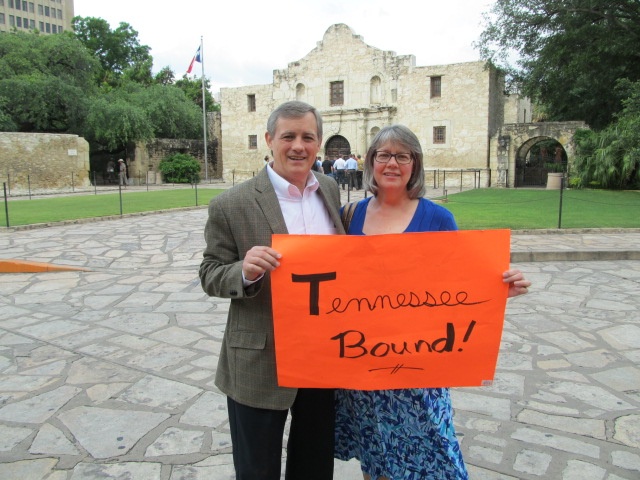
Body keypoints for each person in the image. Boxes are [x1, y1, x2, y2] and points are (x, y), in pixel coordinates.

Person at [334, 124, 531, 480]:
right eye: (383, 155)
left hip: (418, 363)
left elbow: (460, 284)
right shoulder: (351, 216)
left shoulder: (438, 218)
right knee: (375, 454)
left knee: (432, 452)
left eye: (402, 156)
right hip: (364, 359)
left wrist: (497, 290)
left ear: (415, 164)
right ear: (371, 162)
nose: (392, 163)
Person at [199, 100, 345, 480]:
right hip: (260, 359)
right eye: (289, 136)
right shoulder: (230, 204)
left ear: (318, 143)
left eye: (308, 137)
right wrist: (243, 272)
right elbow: (210, 273)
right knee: (257, 470)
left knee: (314, 466)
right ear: (269, 139)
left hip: (321, 355)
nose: (298, 145)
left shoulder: (328, 190)